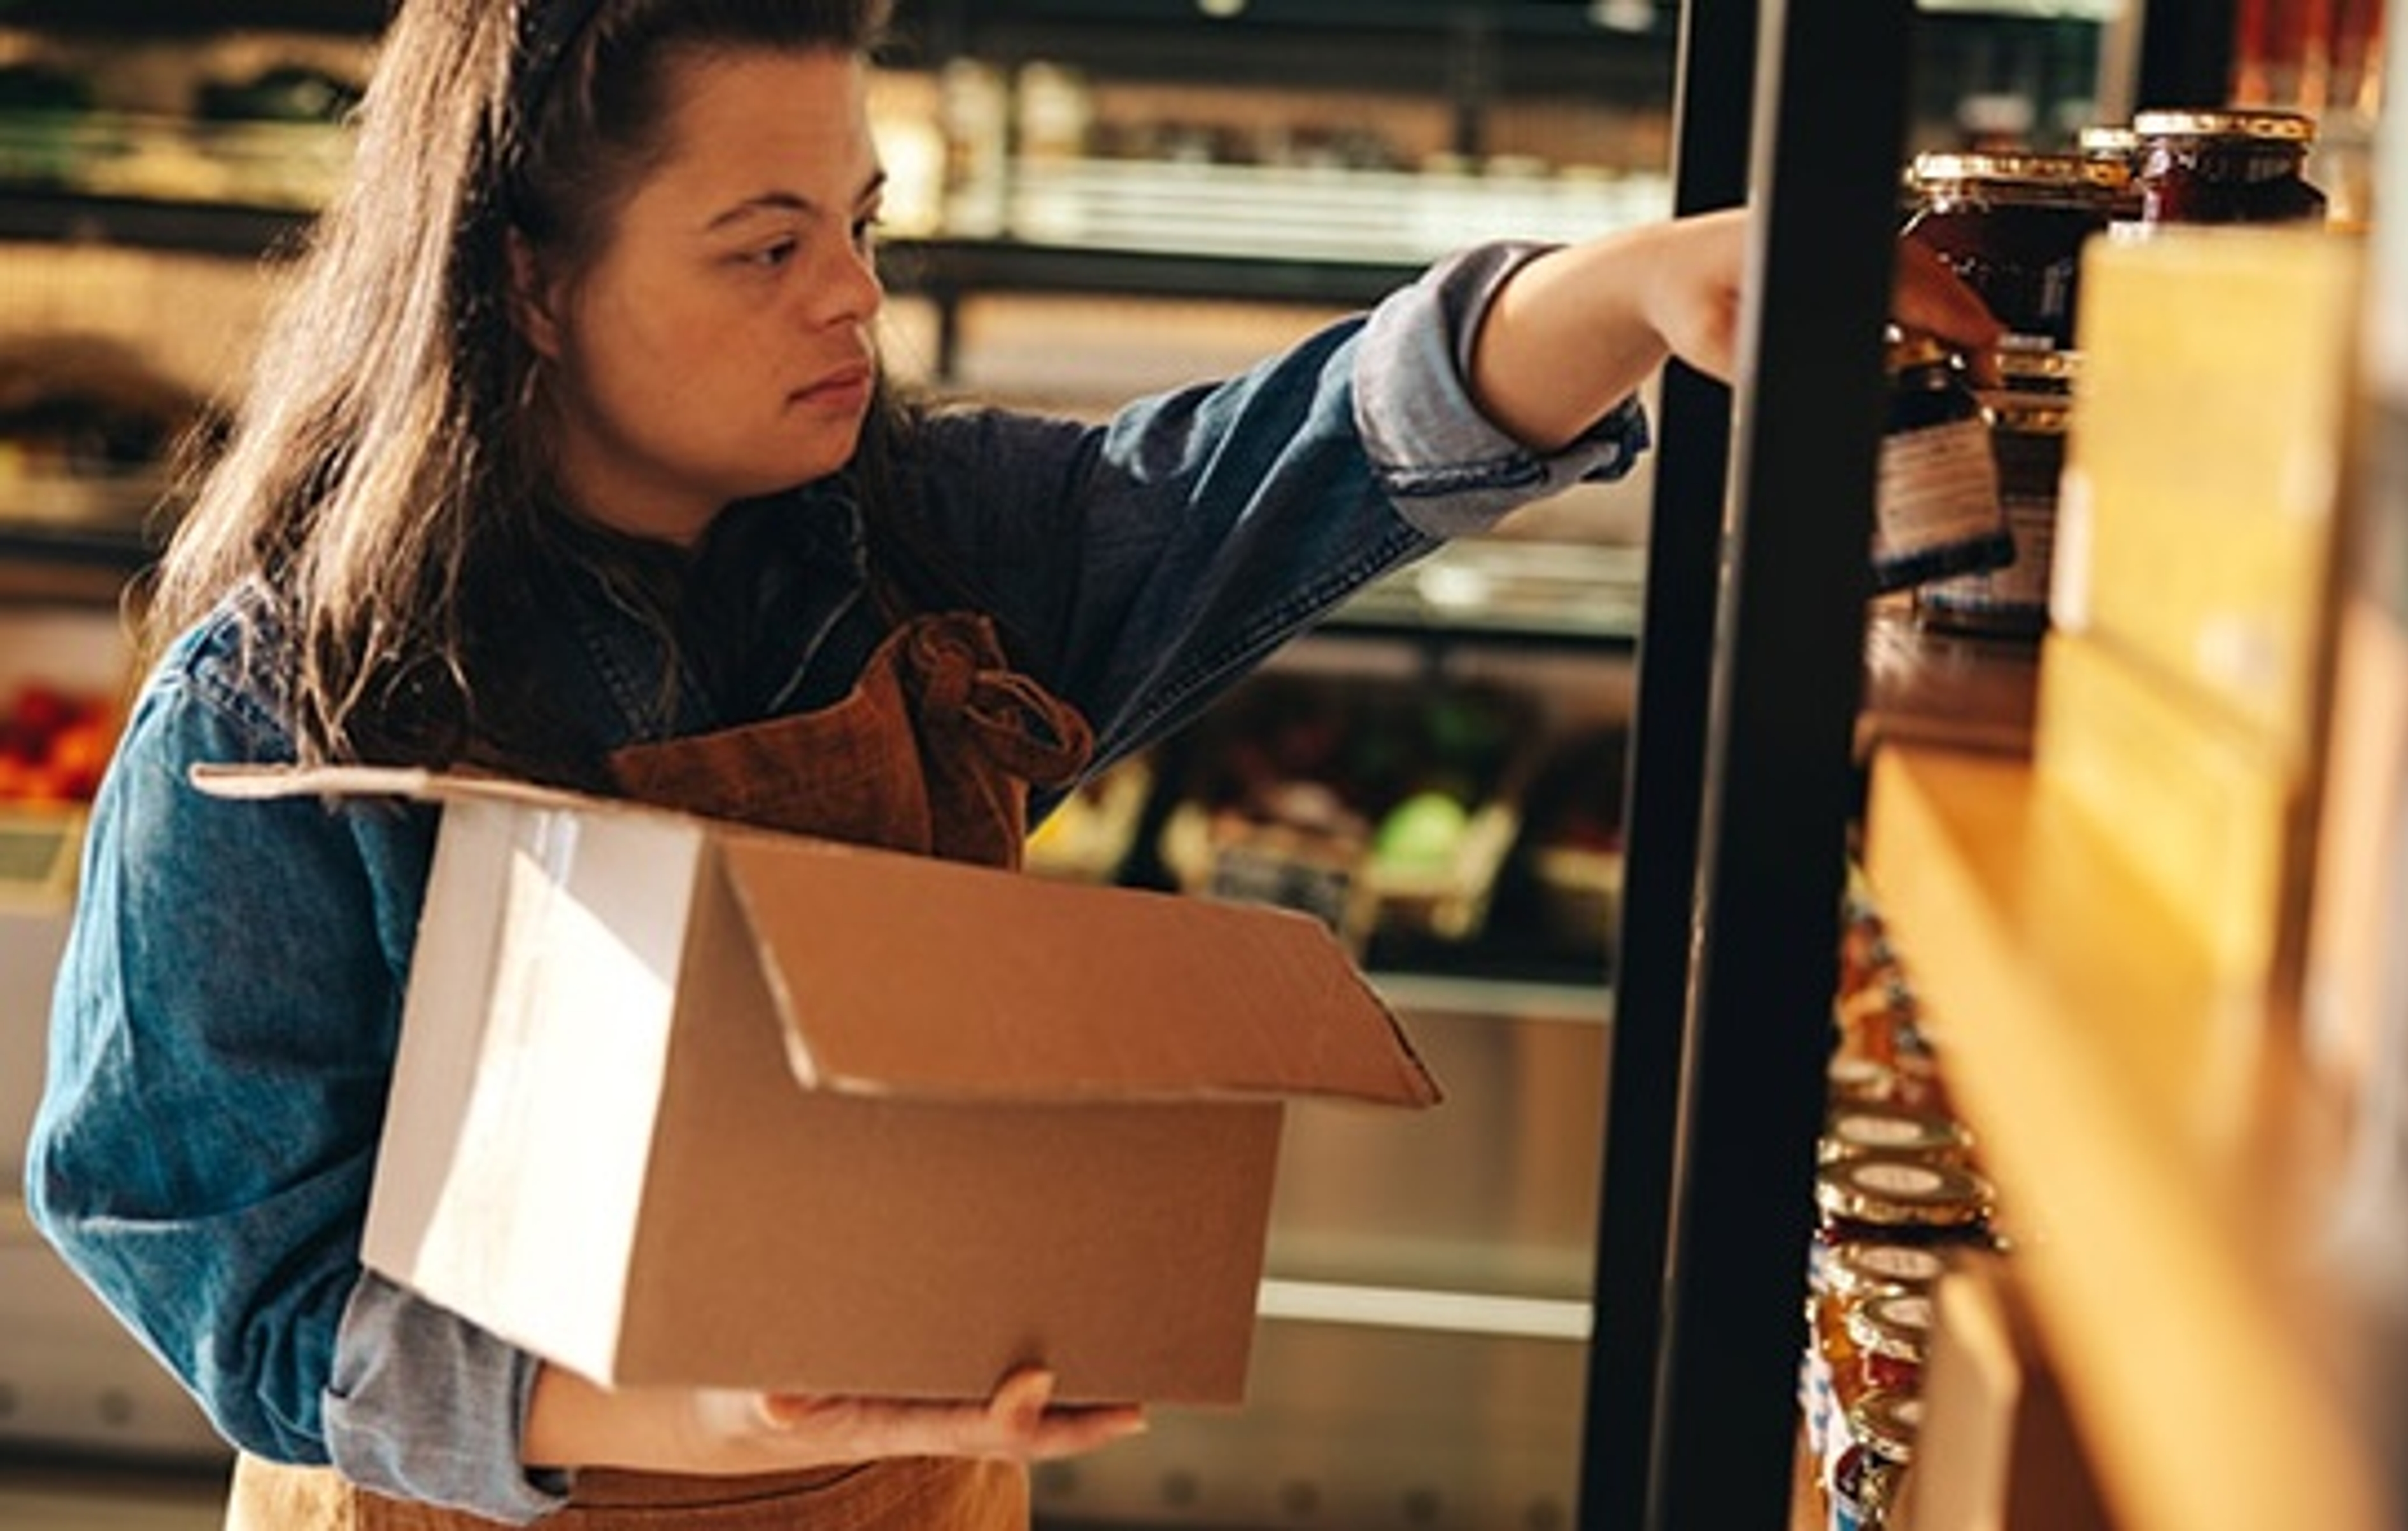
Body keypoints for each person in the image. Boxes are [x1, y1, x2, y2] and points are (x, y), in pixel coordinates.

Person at [25, 1, 2002, 1527]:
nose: (855, 298)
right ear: (529, 281)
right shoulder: (295, 702)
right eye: (764, 245)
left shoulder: (933, 551)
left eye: (862, 226)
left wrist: (1629, 292)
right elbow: (210, 1256)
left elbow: (1279, 469)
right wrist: (683, 1411)